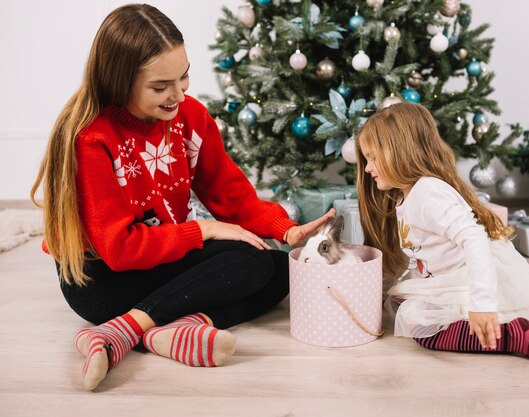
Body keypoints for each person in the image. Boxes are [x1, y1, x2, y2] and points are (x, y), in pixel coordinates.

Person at [30, 4, 333, 391]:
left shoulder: (188, 117)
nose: (178, 94)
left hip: (154, 262)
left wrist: (285, 230)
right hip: (98, 280)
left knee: (276, 268)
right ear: (119, 83)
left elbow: (229, 192)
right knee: (246, 260)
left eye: (184, 76)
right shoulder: (92, 139)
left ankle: (160, 330)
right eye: (160, 87)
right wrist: (204, 229)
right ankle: (128, 327)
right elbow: (120, 249)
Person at [354, 102, 529, 365]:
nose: (367, 168)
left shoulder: (428, 193)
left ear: (401, 152)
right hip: (447, 279)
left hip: (470, 279)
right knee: (407, 308)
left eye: (373, 157)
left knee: (420, 327)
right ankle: (503, 332)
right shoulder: (406, 197)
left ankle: (510, 335)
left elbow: (474, 238)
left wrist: (482, 304)